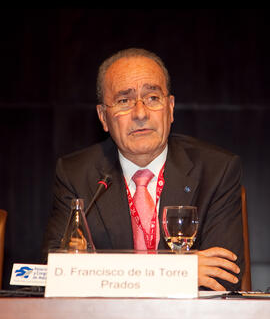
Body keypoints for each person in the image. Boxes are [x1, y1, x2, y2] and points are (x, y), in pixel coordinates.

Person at [42, 48, 244, 291]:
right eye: (124, 101)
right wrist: (177, 273)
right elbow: (55, 273)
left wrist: (106, 274)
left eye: (152, 98)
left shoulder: (217, 170)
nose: (140, 113)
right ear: (104, 117)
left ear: (170, 109)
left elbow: (223, 277)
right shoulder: (75, 174)